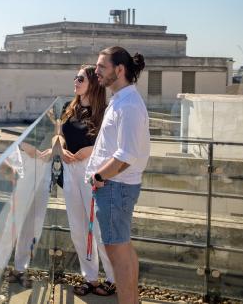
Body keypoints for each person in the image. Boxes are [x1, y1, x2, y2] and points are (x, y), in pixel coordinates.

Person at [87, 47, 149, 304]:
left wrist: (99, 177)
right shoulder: (121, 100)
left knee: (118, 256)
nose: (96, 72)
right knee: (123, 249)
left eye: (102, 67)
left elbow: (126, 155)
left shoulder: (129, 105)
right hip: (116, 188)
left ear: (119, 70)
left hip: (114, 188)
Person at [58, 65, 116, 296]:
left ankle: (112, 278)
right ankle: (90, 277)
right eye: (75, 77)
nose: (76, 81)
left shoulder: (105, 111)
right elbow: (60, 132)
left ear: (92, 82)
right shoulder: (68, 107)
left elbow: (114, 144)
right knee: (77, 230)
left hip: (91, 171)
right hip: (69, 170)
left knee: (99, 230)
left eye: (80, 78)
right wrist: (61, 147)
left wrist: (89, 151)